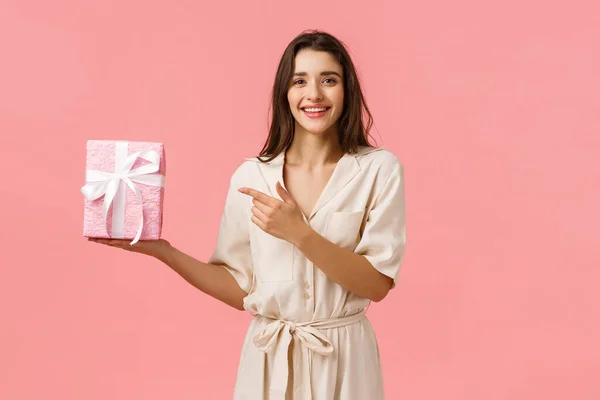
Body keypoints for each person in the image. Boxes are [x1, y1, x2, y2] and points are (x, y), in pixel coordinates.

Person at [89, 29, 406, 400]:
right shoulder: (251, 176)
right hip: (268, 362)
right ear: (284, 93)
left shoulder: (378, 170)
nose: (314, 94)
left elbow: (376, 285)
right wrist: (163, 250)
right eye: (299, 81)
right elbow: (241, 289)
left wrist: (299, 233)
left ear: (346, 90)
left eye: (329, 80)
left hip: (347, 360)